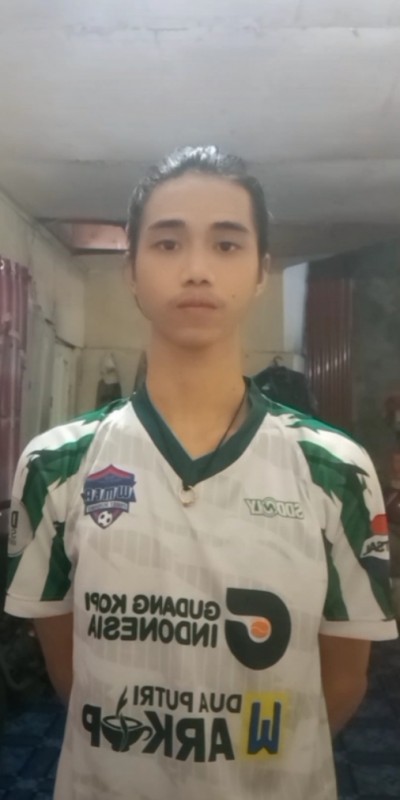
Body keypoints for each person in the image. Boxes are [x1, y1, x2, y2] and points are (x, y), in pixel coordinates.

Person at [5, 146, 397, 800]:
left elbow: (342, 683)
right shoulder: (55, 463)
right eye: (167, 243)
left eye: (226, 244)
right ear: (130, 269)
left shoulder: (336, 470)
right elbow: (73, 674)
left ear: (261, 271)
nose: (195, 269)